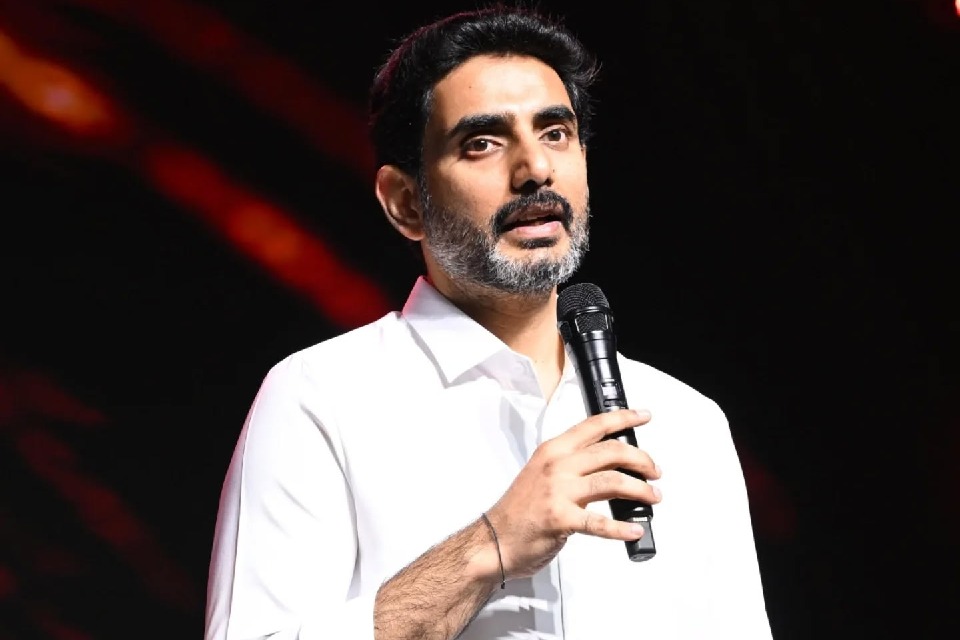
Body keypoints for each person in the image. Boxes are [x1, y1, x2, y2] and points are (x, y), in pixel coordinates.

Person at [204, 6, 772, 639]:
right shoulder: (321, 397)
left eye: (555, 133)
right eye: (482, 143)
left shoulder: (687, 422)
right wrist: (490, 545)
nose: (535, 170)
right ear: (405, 203)